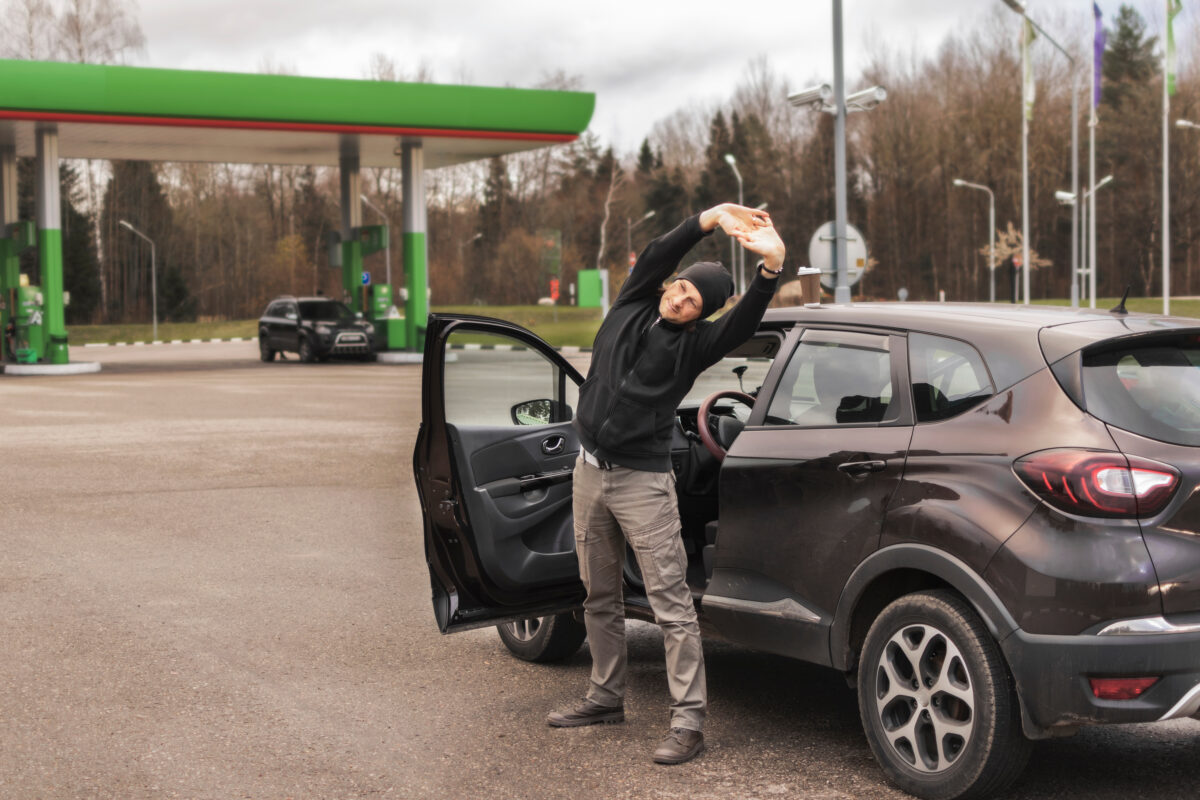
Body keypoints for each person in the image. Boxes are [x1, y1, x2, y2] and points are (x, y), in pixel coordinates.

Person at [546, 203, 786, 765]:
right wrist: (710, 218)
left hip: (643, 482)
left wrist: (770, 270)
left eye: (693, 302)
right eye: (680, 289)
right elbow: (657, 253)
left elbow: (746, 320)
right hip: (589, 471)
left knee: (671, 604)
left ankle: (688, 723)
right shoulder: (632, 303)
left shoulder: (695, 346)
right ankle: (605, 697)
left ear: (701, 315)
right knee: (598, 595)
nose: (680, 300)